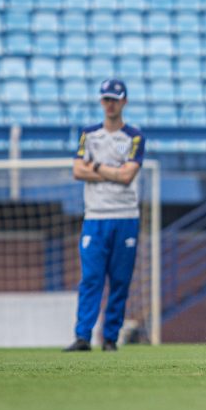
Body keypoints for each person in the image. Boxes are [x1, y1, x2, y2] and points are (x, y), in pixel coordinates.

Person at [64, 79, 145, 352]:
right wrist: (113, 170)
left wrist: (96, 166)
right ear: (101, 101)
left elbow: (127, 176)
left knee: (120, 280)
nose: (110, 104)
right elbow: (77, 171)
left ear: (124, 101)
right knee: (91, 278)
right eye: (106, 99)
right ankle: (82, 336)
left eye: (115, 99)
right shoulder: (89, 134)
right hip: (95, 216)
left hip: (125, 216)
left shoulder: (134, 136)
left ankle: (110, 338)